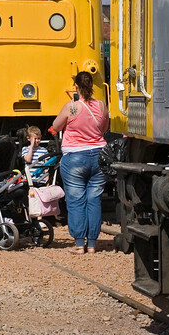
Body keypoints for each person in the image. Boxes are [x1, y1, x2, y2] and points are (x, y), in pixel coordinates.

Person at [51, 71, 109, 254]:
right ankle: (92, 244)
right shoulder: (101, 105)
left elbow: (56, 125)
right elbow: (104, 128)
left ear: (76, 86)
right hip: (99, 157)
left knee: (76, 200)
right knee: (94, 200)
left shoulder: (71, 107)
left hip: (75, 158)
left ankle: (79, 244)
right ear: (92, 86)